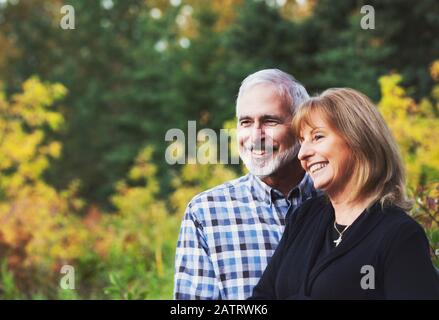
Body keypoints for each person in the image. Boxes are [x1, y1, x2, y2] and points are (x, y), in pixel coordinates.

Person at [251, 88, 439, 299]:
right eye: (302, 141)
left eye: (317, 137)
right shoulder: (303, 218)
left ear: (358, 140)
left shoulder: (399, 236)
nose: (303, 153)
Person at [174, 69, 319, 299]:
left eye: (270, 121)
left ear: (301, 127)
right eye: (246, 122)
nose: (255, 135)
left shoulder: (339, 200)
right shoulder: (206, 213)